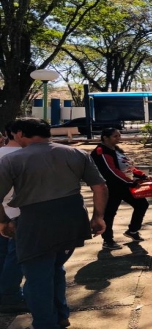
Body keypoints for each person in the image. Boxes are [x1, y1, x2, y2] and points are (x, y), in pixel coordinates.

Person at [0, 118, 108, 329]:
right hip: (72, 219)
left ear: (20, 133)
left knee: (37, 278)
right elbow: (100, 187)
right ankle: (60, 315)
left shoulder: (13, 160)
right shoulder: (75, 153)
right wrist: (98, 217)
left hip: (35, 222)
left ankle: (45, 323)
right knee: (56, 268)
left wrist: (3, 222)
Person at [91, 128, 149, 250]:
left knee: (142, 204)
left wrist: (140, 174)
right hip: (110, 188)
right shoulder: (101, 152)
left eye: (119, 135)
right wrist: (130, 182)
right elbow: (111, 171)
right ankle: (108, 241)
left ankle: (132, 230)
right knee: (109, 213)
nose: (119, 138)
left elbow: (126, 165)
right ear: (105, 138)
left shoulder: (116, 149)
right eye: (115, 136)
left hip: (122, 185)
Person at [0, 123, 26, 314]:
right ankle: (10, 297)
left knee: (4, 257)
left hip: (4, 213)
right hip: (15, 214)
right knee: (15, 258)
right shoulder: (22, 157)